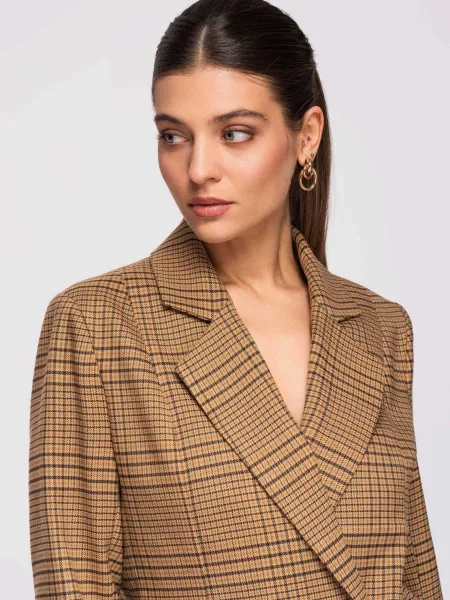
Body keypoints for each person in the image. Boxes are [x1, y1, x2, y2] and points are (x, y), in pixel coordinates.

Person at [28, 0, 443, 598]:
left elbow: (415, 575)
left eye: (235, 133)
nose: (199, 168)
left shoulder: (380, 329)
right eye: (173, 136)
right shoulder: (98, 327)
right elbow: (76, 585)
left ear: (306, 136)